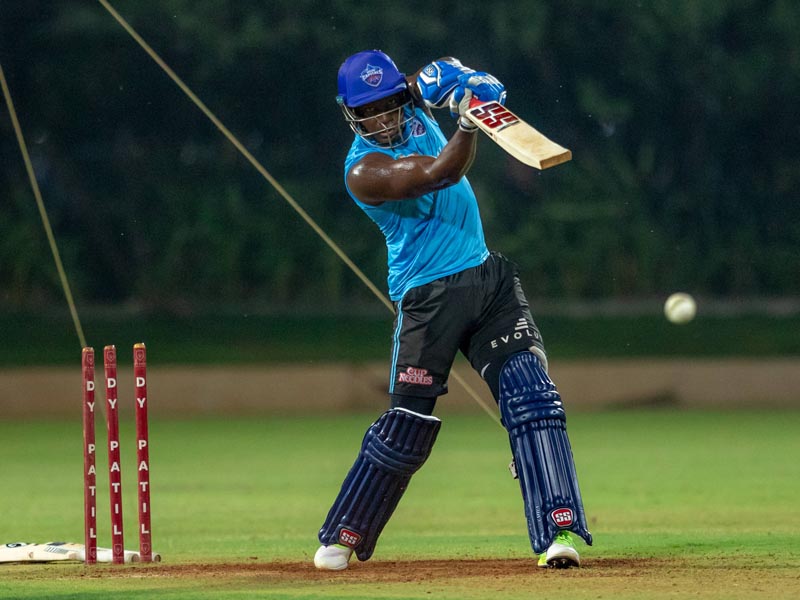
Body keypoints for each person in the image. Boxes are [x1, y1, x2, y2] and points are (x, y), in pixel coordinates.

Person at [314, 49, 592, 571]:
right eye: (370, 110)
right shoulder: (364, 171)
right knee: (407, 425)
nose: (387, 117)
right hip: (428, 299)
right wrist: (467, 122)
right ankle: (343, 536)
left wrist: (467, 78)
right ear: (352, 114)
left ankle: (558, 532)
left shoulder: (408, 97)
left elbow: (437, 75)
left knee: (533, 398)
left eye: (393, 103)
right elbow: (440, 172)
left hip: (487, 280)